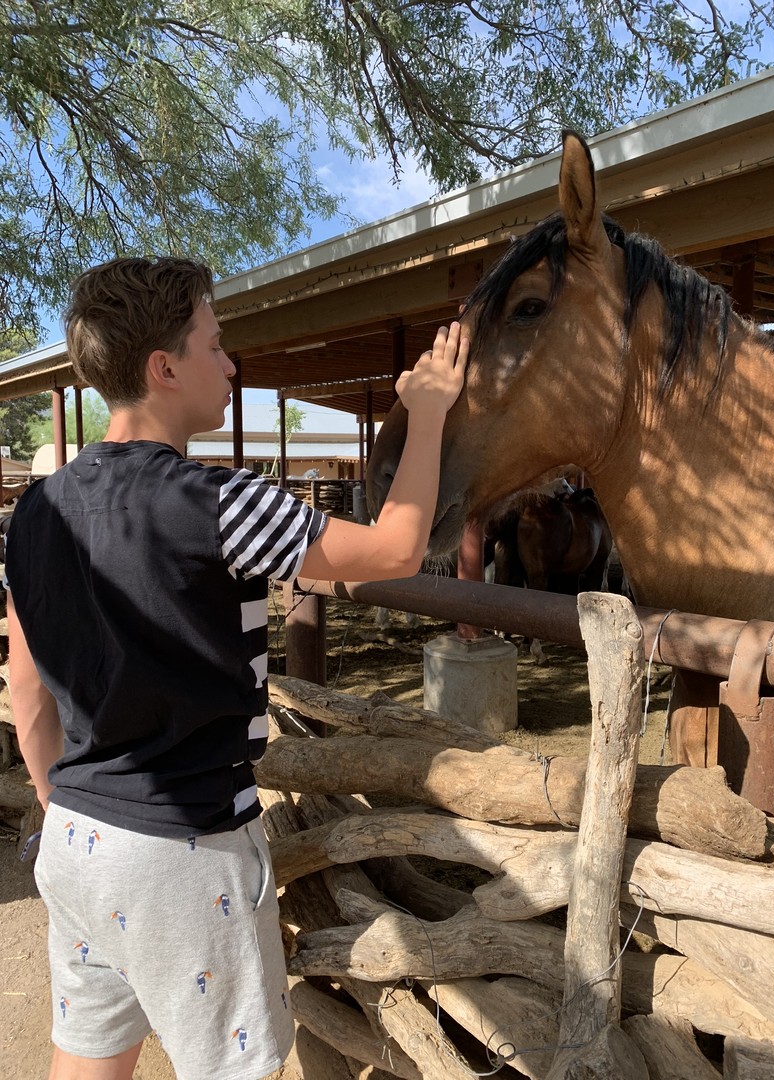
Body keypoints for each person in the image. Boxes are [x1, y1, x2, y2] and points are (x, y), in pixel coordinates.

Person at [5, 256, 469, 1080]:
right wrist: (428, 414)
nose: (230, 365)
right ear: (164, 367)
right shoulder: (222, 502)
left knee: (85, 1064)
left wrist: (59, 802)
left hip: (76, 839)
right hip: (185, 851)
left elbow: (27, 688)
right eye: (215, 345)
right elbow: (397, 548)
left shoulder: (37, 511)